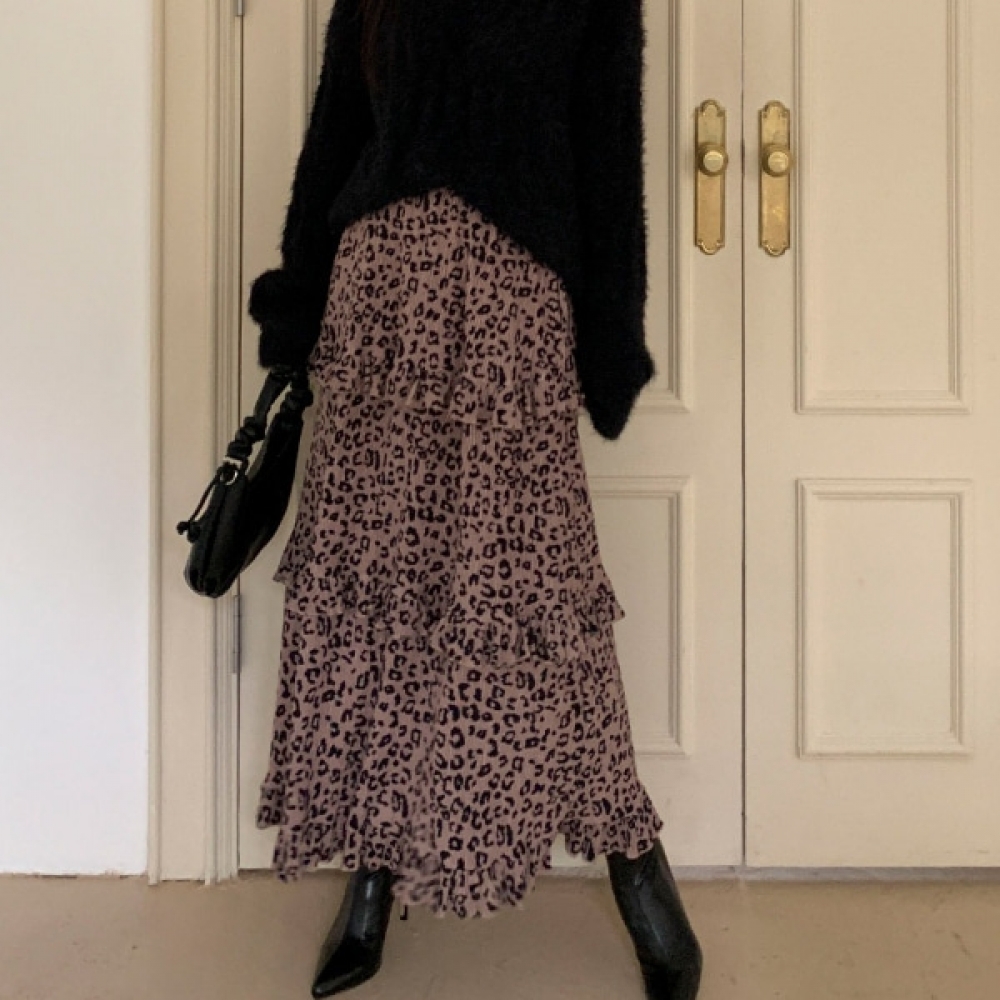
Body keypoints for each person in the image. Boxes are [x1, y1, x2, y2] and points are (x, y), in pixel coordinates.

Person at [247, 1, 703, 997]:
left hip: (512, 311)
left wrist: (610, 341)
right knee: (380, 591)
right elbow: (334, 140)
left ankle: (637, 867)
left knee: (541, 592)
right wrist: (294, 319)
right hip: (377, 305)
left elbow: (608, 164)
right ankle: (373, 872)